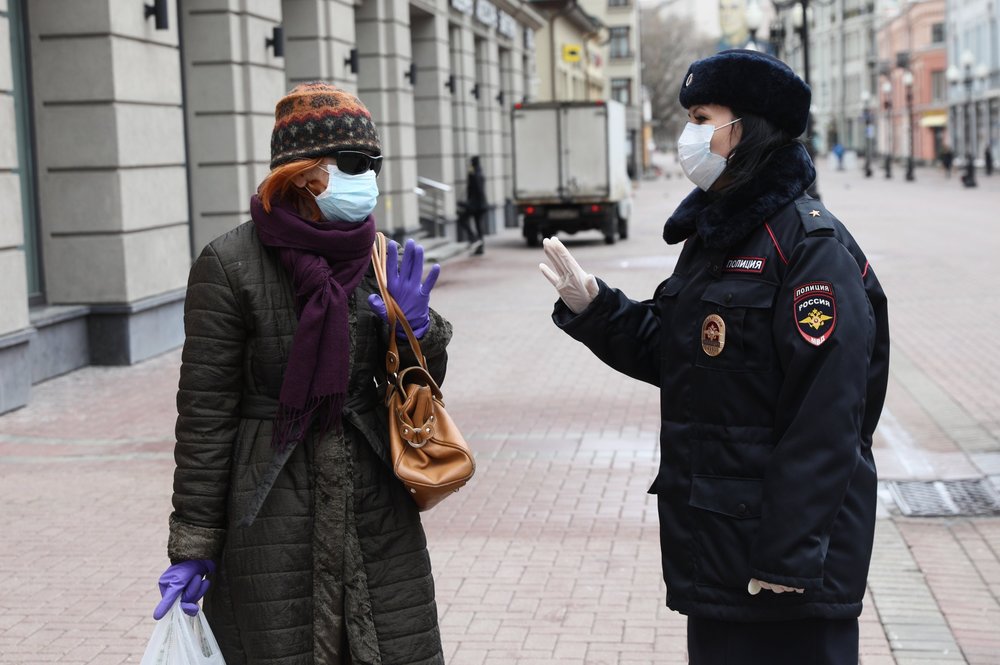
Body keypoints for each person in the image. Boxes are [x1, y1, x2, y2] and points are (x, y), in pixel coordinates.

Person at [539, 50, 889, 665]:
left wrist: (788, 555)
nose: (689, 135)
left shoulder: (809, 247)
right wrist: (595, 308)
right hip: (722, 549)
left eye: (702, 117)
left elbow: (827, 419)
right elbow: (685, 351)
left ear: (746, 128)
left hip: (785, 569)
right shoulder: (720, 234)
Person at [152, 82, 452, 664]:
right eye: (352, 162)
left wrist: (416, 329)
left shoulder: (379, 258)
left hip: (374, 505)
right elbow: (206, 418)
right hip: (268, 504)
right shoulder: (228, 264)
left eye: (373, 163)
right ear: (303, 172)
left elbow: (420, 387)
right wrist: (193, 544)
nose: (366, 176)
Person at [459, 155, 488, 255]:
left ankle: (475, 239)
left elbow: (476, 190)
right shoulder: (479, 172)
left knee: (462, 219)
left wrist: (468, 203)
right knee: (478, 225)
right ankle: (479, 245)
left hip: (476, 205)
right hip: (479, 205)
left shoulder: (474, 174)